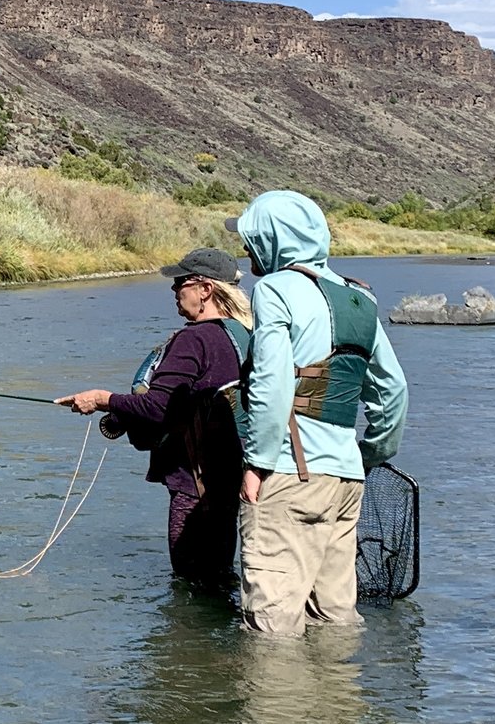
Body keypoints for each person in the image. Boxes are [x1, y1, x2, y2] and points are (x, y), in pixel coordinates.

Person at [227, 192, 409, 637]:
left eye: (252, 238)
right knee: (336, 618)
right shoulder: (360, 299)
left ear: (273, 239)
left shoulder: (273, 290)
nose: (247, 249)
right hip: (346, 481)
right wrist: (367, 456)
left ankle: (277, 708)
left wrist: (257, 465)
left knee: (273, 628)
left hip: (290, 476)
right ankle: (339, 705)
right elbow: (393, 392)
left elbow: (271, 388)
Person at [55, 247, 252, 594]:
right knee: (220, 580)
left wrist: (102, 400)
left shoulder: (193, 340)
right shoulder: (242, 335)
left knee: (189, 583)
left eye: (180, 283)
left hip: (194, 484)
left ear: (205, 289)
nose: (174, 291)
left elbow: (158, 407)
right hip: (232, 476)